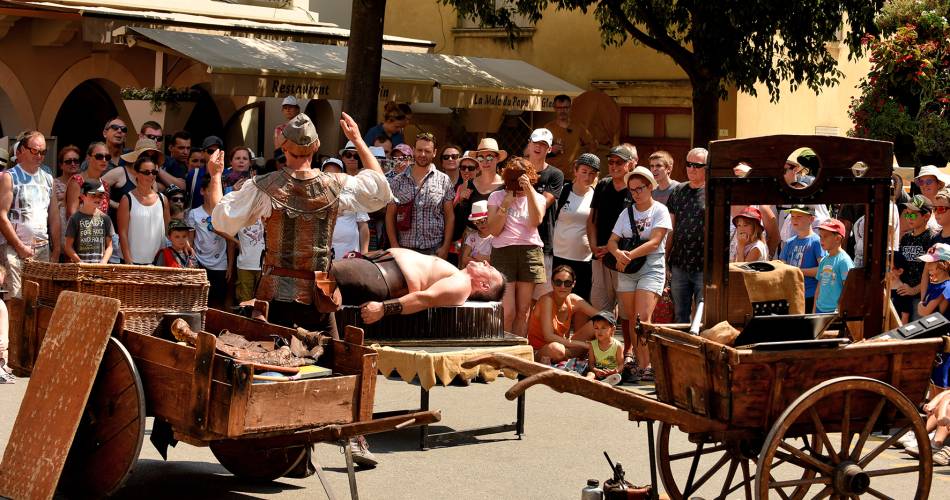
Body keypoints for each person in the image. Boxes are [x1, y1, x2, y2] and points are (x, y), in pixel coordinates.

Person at [607, 167, 671, 382]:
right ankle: (642, 365)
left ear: (650, 187)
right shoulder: (626, 212)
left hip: (650, 265)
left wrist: (627, 256)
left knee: (644, 318)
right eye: (632, 190)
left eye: (640, 188)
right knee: (632, 319)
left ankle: (651, 363)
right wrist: (617, 254)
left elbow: (655, 242)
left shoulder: (660, 210)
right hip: (627, 267)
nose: (636, 193)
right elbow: (612, 241)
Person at [344, 248, 506, 324]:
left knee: (324, 278)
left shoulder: (462, 285)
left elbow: (425, 298)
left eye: (489, 268)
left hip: (382, 275)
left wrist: (382, 308)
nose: (486, 262)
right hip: (377, 266)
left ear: (484, 285)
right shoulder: (457, 277)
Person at [486, 157, 547, 336]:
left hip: (530, 251)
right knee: (508, 311)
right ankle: (505, 349)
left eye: (522, 177)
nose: (518, 182)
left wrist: (528, 192)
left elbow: (536, 221)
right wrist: (506, 203)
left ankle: (519, 353)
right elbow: (494, 230)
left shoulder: (537, 198)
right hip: (503, 252)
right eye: (513, 177)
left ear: (530, 177)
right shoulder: (496, 196)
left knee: (523, 311)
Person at [0, 130, 61, 299]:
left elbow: (54, 216)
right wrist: (20, 246)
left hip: (41, 247)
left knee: (39, 299)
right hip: (13, 248)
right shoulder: (9, 177)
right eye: (35, 150)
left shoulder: (48, 178)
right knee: (15, 298)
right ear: (22, 150)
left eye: (43, 152)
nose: (39, 156)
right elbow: (1, 216)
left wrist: (56, 249)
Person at [587, 145, 634, 348]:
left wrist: (612, 247)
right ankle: (603, 352)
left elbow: (637, 227)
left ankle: (628, 353)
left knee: (625, 311)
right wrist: (593, 246)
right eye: (611, 162)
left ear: (630, 164)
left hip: (623, 257)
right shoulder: (603, 184)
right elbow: (592, 220)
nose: (614, 166)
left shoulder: (635, 187)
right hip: (599, 256)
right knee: (600, 308)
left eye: (619, 162)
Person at [385, 133, 455, 257]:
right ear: (413, 151)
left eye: (427, 151)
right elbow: (390, 216)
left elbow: (449, 217)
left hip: (434, 250)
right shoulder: (397, 181)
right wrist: (395, 246)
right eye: (419, 150)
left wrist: (445, 247)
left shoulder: (444, 180)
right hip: (405, 250)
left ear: (434, 153)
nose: (422, 154)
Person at [667, 147, 707, 323]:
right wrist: (665, 259)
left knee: (702, 315)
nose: (691, 169)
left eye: (697, 165)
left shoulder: (713, 192)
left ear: (707, 167)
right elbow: (670, 229)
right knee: (680, 314)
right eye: (689, 164)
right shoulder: (677, 191)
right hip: (679, 263)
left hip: (704, 265)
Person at [526, 265, 599, 362]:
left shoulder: (573, 300)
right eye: (558, 282)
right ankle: (579, 357)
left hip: (565, 347)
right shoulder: (547, 300)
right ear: (552, 283)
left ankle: (600, 357)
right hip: (542, 350)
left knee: (598, 324)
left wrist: (607, 341)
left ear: (573, 284)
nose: (562, 287)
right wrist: (582, 345)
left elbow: (604, 316)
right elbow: (549, 336)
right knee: (557, 349)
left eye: (567, 283)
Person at [552, 153, 598, 302]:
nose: (587, 177)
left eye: (592, 173)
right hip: (559, 255)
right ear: (575, 170)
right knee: (558, 300)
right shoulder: (563, 191)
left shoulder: (596, 196)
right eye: (584, 172)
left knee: (580, 300)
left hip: (584, 258)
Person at [525, 128, 564, 300]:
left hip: (542, 243)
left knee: (541, 298)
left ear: (549, 149)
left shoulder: (555, 174)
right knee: (520, 300)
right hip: (515, 240)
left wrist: (525, 188)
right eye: (536, 142)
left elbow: (544, 204)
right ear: (529, 143)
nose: (538, 147)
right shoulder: (517, 169)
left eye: (544, 145)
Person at [187, 175, 231, 309]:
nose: (214, 193)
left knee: (218, 301)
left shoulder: (225, 213)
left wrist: (230, 265)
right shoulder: (194, 213)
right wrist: (191, 261)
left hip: (221, 264)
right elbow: (190, 241)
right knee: (199, 301)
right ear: (202, 191)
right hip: (200, 263)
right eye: (210, 189)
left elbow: (230, 242)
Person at [117, 156, 170, 265]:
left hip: (158, 263)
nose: (151, 175)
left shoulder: (163, 199)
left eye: (154, 172)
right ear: (136, 174)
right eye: (146, 172)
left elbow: (170, 230)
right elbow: (122, 233)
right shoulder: (127, 199)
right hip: (132, 262)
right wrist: (128, 262)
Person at [893, 195, 935, 322]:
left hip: (921, 297)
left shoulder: (931, 238)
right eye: (907, 214)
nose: (908, 218)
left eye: (913, 215)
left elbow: (931, 272)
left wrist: (914, 290)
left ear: (926, 216)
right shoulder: (905, 238)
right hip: (903, 294)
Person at [779, 205, 827, 313]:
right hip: (791, 294)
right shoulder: (789, 242)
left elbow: (823, 270)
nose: (794, 219)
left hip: (810, 294)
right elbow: (782, 266)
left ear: (811, 219)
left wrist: (797, 271)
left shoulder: (817, 242)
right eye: (792, 216)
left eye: (799, 216)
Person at [103, 138, 164, 222]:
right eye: (145, 155)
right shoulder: (120, 172)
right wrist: (117, 205)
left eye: (152, 157)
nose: (148, 160)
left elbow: (154, 204)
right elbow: (95, 189)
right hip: (117, 228)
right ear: (137, 156)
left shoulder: (151, 176)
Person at [543, 94, 594, 180]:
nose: (562, 111)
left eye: (566, 108)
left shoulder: (579, 127)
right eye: (559, 108)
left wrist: (584, 162)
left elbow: (592, 145)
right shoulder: (547, 128)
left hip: (573, 177)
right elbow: (539, 151)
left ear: (570, 108)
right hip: (552, 176)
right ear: (554, 108)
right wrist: (551, 151)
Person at [63, 180, 113, 264]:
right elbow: (68, 247)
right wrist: (80, 263)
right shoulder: (75, 219)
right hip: (80, 270)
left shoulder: (106, 219)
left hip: (99, 270)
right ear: (83, 197)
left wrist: (103, 262)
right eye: (93, 195)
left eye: (100, 196)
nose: (97, 199)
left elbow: (110, 246)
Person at [813, 219, 854, 314]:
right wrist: (814, 311)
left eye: (825, 236)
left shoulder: (844, 261)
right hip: (820, 309)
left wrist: (840, 309)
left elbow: (848, 290)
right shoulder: (824, 260)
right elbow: (819, 288)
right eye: (820, 236)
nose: (821, 240)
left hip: (834, 312)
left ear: (838, 239)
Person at [65, 142, 111, 221]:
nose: (104, 160)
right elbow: (72, 215)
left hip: (100, 232)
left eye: (107, 157)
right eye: (99, 156)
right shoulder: (77, 181)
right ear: (88, 158)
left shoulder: (105, 185)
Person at [54, 145, 82, 249]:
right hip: (60, 234)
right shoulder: (54, 184)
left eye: (76, 160)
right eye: (68, 161)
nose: (73, 164)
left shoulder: (84, 183)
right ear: (61, 165)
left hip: (80, 234)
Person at [585, 311, 624, 386]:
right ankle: (588, 380)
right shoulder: (592, 345)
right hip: (598, 372)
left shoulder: (617, 345)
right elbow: (591, 364)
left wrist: (615, 371)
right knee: (591, 373)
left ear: (612, 329)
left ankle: (607, 381)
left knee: (617, 377)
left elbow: (621, 364)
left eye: (603, 328)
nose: (599, 331)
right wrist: (596, 370)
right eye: (596, 328)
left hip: (611, 373)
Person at [916, 243, 950, 317]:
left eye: (932, 262)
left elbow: (924, 312)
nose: (928, 265)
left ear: (945, 264)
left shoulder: (945, 287)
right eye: (928, 262)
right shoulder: (935, 284)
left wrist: (920, 305)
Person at [460, 200, 493, 268]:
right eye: (476, 222)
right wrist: (483, 260)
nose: (480, 224)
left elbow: (495, 260)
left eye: (482, 220)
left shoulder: (495, 237)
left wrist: (475, 257)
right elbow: (464, 259)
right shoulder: (472, 237)